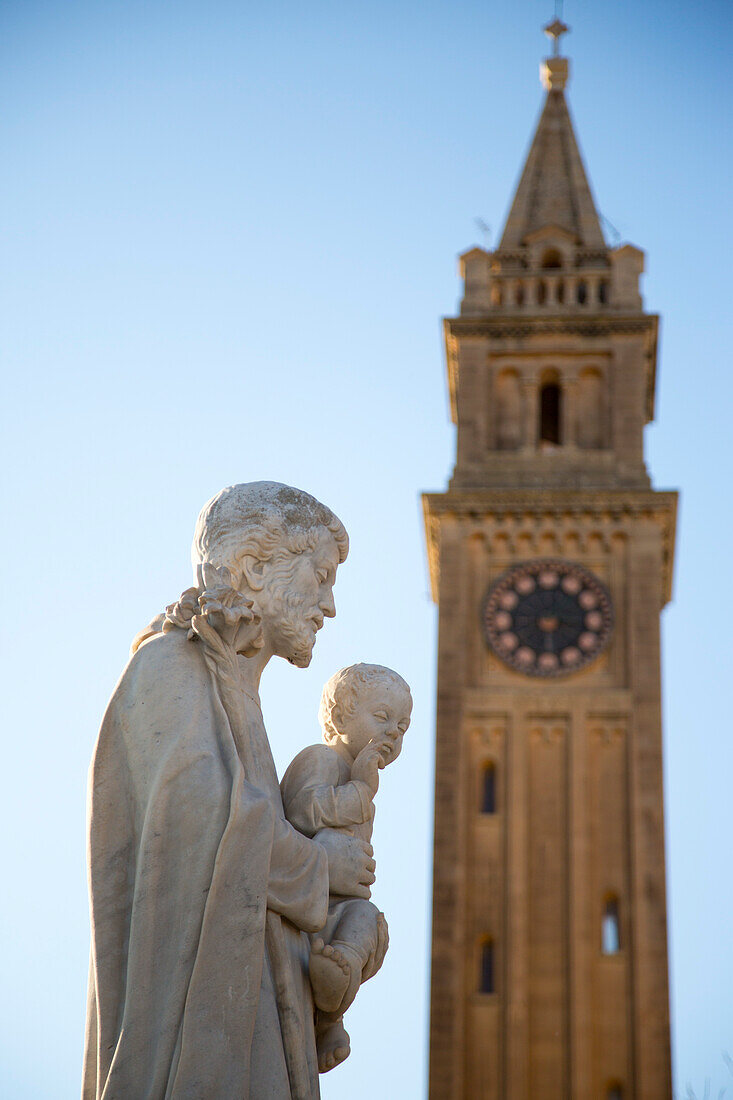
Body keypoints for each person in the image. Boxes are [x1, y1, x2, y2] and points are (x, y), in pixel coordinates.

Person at [83, 483, 376, 1100]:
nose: (329, 606)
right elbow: (201, 823)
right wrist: (320, 868)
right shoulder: (170, 662)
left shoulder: (237, 691)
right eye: (320, 576)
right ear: (253, 568)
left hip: (258, 1027)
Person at [280, 663, 412, 1073]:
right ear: (339, 718)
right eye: (383, 717)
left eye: (403, 726)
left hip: (336, 911)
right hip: (305, 900)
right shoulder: (321, 759)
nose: (393, 732)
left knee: (368, 921)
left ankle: (334, 1003)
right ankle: (331, 1005)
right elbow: (300, 812)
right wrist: (359, 791)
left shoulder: (359, 779)